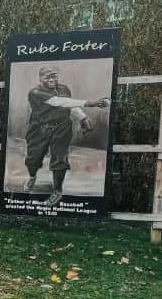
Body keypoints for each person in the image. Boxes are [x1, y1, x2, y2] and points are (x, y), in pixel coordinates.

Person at [23, 66, 110, 206]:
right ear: (40, 78)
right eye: (47, 77)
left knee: (60, 158)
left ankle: (57, 191)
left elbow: (68, 105)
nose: (52, 79)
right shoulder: (35, 92)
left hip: (61, 127)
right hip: (39, 129)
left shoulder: (63, 89)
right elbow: (59, 102)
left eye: (54, 76)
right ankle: (32, 176)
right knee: (33, 157)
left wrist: (82, 117)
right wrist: (91, 103)